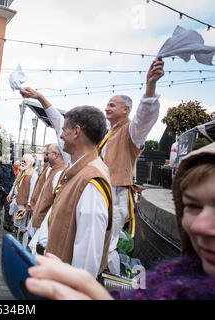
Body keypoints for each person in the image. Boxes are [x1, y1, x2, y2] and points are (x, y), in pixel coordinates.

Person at [21, 57, 165, 275]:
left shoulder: (131, 132)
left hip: (110, 195)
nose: (106, 107)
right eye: (106, 104)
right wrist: (41, 98)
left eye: (112, 104)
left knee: (103, 251)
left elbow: (144, 119)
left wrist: (151, 86)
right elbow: (62, 123)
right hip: (94, 189)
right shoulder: (103, 138)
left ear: (126, 110)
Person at [25, 142, 215, 300]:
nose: (200, 225)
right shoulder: (171, 280)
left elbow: (90, 244)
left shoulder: (92, 181)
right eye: (193, 206)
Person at [28, 143, 67, 256]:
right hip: (39, 217)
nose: (45, 156)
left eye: (47, 153)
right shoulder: (51, 170)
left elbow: (55, 201)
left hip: (44, 222)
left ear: (55, 155)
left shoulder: (60, 172)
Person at [7, 154, 38, 247]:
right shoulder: (22, 172)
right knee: (17, 224)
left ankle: (22, 247)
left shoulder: (33, 174)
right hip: (17, 201)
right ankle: (16, 244)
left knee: (23, 227)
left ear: (31, 163)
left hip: (24, 204)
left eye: (25, 161)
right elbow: (15, 183)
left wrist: (29, 204)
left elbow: (33, 191)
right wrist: (10, 193)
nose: (22, 163)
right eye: (22, 161)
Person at [0, 154, 16, 231]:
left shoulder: (9, 166)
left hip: (7, 192)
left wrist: (9, 188)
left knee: (8, 208)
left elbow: (13, 177)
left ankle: (7, 225)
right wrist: (0, 187)